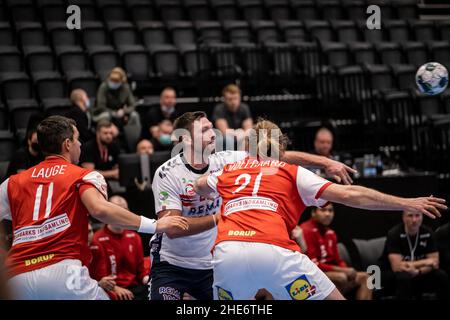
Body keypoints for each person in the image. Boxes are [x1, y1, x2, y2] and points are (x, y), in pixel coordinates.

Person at [194, 119, 446, 300]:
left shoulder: (229, 171)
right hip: (274, 250)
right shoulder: (290, 171)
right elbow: (351, 195)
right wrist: (406, 202)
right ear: (280, 147)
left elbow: (199, 185)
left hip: (227, 253)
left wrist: (213, 183)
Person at [149, 111, 357, 300]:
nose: (213, 134)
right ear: (185, 138)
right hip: (172, 264)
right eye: (204, 130)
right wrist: (217, 219)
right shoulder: (167, 173)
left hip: (211, 263)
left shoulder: (225, 160)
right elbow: (173, 228)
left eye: (212, 128)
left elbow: (277, 158)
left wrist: (326, 163)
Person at [0, 115, 188, 300]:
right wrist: (155, 225)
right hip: (63, 271)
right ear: (67, 144)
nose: (80, 144)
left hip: (16, 278)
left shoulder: (11, 182)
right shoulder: (84, 176)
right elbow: (100, 210)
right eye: (77, 139)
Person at [300, 203, 372, 300]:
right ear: (313, 213)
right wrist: (344, 271)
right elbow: (313, 263)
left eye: (330, 210)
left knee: (365, 277)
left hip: (332, 272)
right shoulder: (305, 230)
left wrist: (346, 269)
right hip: (314, 274)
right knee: (341, 277)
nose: (327, 214)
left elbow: (337, 260)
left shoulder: (331, 233)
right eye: (323, 210)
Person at [89, 196, 149, 300]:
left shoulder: (135, 237)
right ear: (108, 212)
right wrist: (115, 289)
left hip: (135, 288)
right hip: (111, 290)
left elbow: (141, 271)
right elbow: (100, 279)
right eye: (118, 211)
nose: (121, 215)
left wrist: (149, 280)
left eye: (125, 211)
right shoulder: (96, 240)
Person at [379, 211, 449, 300]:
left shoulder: (428, 232)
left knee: (441, 275)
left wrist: (418, 271)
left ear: (422, 217)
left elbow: (435, 263)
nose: (414, 220)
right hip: (394, 273)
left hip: (420, 271)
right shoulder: (394, 234)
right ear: (403, 218)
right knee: (404, 277)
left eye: (417, 216)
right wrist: (426, 261)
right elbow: (397, 266)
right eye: (410, 216)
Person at [212, 84, 253, 150]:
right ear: (225, 99)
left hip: (240, 136)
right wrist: (238, 133)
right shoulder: (219, 109)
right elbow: (224, 131)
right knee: (228, 139)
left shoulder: (244, 108)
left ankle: (246, 159)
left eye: (235, 98)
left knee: (250, 138)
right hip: (223, 138)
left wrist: (244, 135)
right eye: (230, 99)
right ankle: (230, 160)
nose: (233, 102)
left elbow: (249, 129)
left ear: (239, 98)